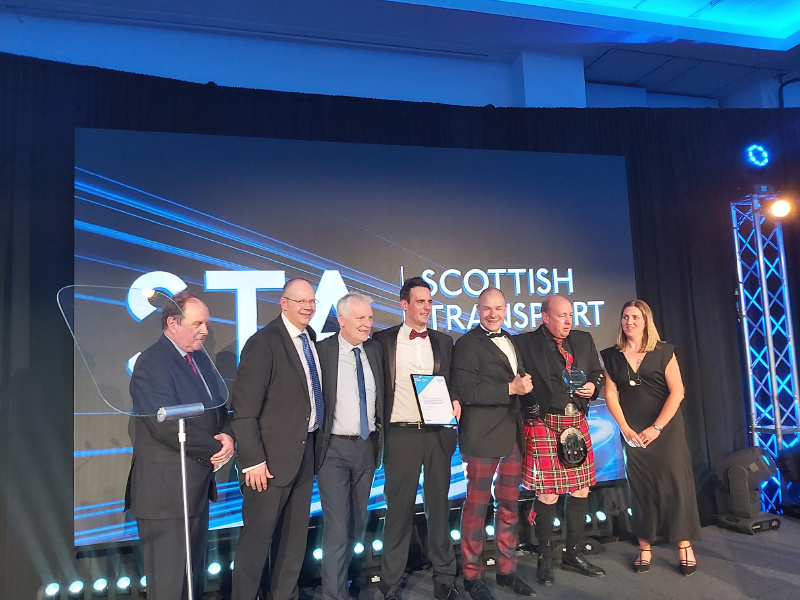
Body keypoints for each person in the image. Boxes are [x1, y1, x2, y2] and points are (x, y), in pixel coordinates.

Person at [125, 291, 234, 600]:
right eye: (197, 323)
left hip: (194, 491)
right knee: (171, 587)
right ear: (172, 323)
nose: (205, 331)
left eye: (207, 324)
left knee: (191, 584)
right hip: (166, 496)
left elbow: (219, 406)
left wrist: (228, 435)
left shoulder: (199, 358)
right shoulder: (152, 363)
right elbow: (167, 425)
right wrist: (215, 447)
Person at [230, 278, 324, 600]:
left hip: (303, 457)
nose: (308, 307)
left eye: (311, 301)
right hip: (267, 466)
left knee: (293, 542)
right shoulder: (264, 342)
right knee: (256, 544)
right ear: (283, 304)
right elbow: (243, 411)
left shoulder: (310, 337)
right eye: (301, 301)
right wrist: (253, 461)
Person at [372, 277, 462, 600]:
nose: (426, 307)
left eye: (429, 302)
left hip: (438, 434)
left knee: (439, 508)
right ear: (404, 304)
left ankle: (444, 579)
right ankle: (391, 585)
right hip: (402, 434)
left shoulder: (444, 341)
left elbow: (452, 382)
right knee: (398, 511)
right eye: (420, 302)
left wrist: (456, 401)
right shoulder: (383, 341)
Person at [600, 299, 701, 576]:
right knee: (641, 488)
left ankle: (684, 545)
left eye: (635, 317)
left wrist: (656, 428)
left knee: (675, 485)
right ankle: (644, 545)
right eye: (625, 317)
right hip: (633, 433)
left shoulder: (663, 351)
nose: (629, 322)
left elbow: (677, 392)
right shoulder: (611, 356)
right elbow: (610, 394)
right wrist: (625, 429)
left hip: (665, 431)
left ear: (646, 321)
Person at [516, 294, 606, 586]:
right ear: (545, 317)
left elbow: (597, 373)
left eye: (570, 315)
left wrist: (593, 385)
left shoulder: (583, 339)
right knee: (548, 493)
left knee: (580, 490)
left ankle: (573, 553)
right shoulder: (525, 344)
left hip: (575, 421)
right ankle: (544, 556)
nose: (567, 321)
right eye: (561, 316)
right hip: (545, 422)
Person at [452, 287, 535, 600]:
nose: (493, 314)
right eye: (487, 308)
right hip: (480, 437)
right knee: (476, 509)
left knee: (510, 509)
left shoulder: (511, 339)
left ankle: (507, 571)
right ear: (477, 309)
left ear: (506, 308)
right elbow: (468, 391)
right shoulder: (466, 344)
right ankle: (472, 576)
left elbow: (520, 382)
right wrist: (510, 388)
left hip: (511, 436)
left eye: (498, 308)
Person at [316, 293, 385, 600]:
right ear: (342, 320)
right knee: (337, 527)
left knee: (355, 525)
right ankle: (334, 594)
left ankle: (347, 582)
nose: (367, 324)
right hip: (333, 451)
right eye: (360, 318)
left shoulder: (375, 350)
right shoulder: (322, 352)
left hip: (367, 449)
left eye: (369, 318)